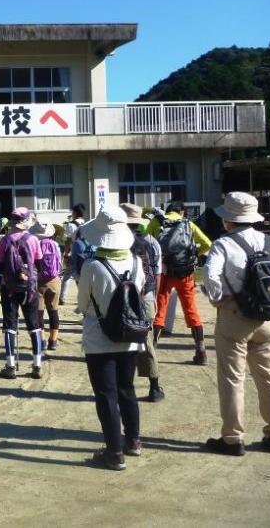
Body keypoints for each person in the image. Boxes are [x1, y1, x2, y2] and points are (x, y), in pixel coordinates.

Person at [201, 192, 270, 456]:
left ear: (228, 221)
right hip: (267, 318)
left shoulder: (223, 245)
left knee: (233, 378)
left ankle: (233, 438)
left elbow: (210, 275)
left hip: (235, 317)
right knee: (268, 375)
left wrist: (218, 299)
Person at [75, 206, 145, 471]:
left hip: (99, 338)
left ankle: (114, 452)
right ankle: (134, 440)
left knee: (106, 394)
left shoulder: (92, 265)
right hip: (131, 335)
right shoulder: (136, 262)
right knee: (127, 389)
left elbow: (83, 304)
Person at [146, 201, 212, 365]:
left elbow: (147, 244)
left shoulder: (156, 221)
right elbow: (207, 244)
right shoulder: (188, 224)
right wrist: (193, 254)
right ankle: (201, 351)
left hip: (165, 271)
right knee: (191, 309)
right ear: (181, 212)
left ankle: (152, 352)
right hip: (185, 273)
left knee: (160, 308)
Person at [121, 203, 165, 402]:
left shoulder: (114, 242)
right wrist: (153, 296)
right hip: (145, 296)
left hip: (121, 298)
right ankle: (154, 387)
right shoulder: (151, 242)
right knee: (145, 341)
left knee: (120, 341)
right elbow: (156, 273)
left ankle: (123, 385)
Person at [0, 207, 45, 379]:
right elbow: (39, 262)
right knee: (34, 325)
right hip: (29, 287)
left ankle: (10, 366)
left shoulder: (4, 241)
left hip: (8, 287)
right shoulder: (33, 240)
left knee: (9, 326)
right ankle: (37, 365)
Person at [32, 219, 63, 351]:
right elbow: (60, 263)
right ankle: (53, 340)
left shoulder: (35, 244)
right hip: (54, 281)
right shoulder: (55, 244)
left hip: (38, 281)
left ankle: (42, 340)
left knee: (39, 313)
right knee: (53, 311)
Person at [58, 204, 87, 305]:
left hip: (74, 252)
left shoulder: (71, 225)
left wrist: (66, 254)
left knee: (67, 275)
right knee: (81, 275)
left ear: (75, 213)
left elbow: (68, 241)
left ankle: (62, 298)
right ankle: (84, 297)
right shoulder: (86, 223)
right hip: (85, 252)